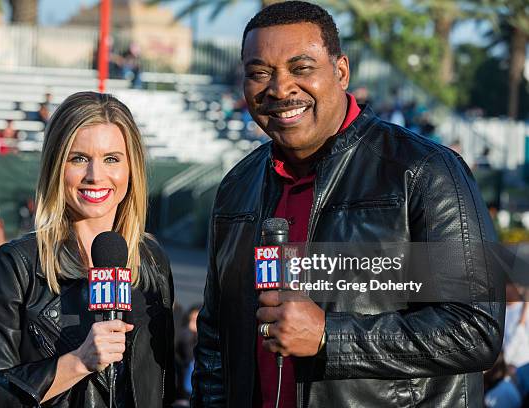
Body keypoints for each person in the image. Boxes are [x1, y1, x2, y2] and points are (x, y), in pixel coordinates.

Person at [191, 2, 504, 407]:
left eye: (300, 68)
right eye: (259, 73)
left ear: (341, 72)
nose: (280, 88)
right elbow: (216, 343)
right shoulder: (238, 186)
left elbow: (473, 329)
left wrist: (328, 337)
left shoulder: (424, 171)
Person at [0, 91, 175, 407]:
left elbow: (163, 386)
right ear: (54, 166)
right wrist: (78, 362)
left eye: (111, 159)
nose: (95, 176)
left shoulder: (152, 260)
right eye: (78, 158)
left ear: (132, 169)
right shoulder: (17, 265)